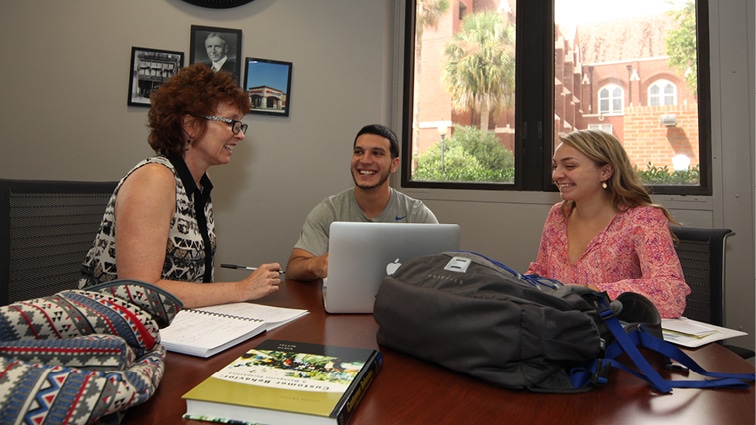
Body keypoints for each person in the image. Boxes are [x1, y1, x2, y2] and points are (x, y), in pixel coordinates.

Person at [79, 63, 282, 308]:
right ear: (190, 124)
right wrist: (242, 289)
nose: (240, 134)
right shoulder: (154, 179)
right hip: (119, 335)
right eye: (231, 122)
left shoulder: (198, 186)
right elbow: (139, 290)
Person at [526, 129, 690, 318]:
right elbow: (542, 272)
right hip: (562, 331)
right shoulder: (558, 214)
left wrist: (591, 292)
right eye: (555, 166)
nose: (556, 175)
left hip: (615, 337)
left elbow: (671, 293)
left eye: (569, 166)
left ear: (605, 171)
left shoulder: (644, 219)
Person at [286, 124, 439, 281]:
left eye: (377, 153)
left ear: (394, 164)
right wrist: (317, 264)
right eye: (359, 152)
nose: (365, 160)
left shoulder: (417, 214)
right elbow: (293, 269)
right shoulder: (329, 210)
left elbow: (443, 273)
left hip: (401, 303)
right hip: (341, 303)